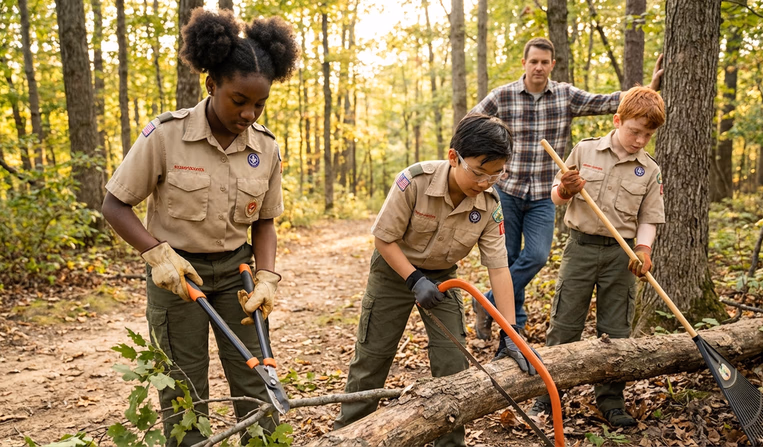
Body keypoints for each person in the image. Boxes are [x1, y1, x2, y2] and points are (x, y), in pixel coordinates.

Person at [101, 9, 299, 445]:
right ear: (211, 86)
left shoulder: (265, 148)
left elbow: (265, 221)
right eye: (238, 100)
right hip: (177, 277)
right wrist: (157, 254)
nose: (249, 113)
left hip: (238, 278)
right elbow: (114, 204)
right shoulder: (165, 136)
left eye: (259, 104)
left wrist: (266, 276)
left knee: (256, 383)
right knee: (183, 393)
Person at [333, 114, 540, 447]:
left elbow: (499, 268)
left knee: (452, 363)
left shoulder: (489, 204)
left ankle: (449, 442)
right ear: (453, 156)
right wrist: (413, 279)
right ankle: (347, 436)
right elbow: (384, 240)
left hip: (443, 278)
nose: (486, 181)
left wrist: (511, 333)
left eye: (496, 173)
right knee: (372, 358)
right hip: (393, 271)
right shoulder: (414, 181)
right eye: (478, 172)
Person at [469, 37, 663, 339]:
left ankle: (487, 302)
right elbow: (472, 121)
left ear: (552, 65)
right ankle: (512, 336)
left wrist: (647, 92)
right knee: (505, 263)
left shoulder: (565, 96)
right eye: (533, 61)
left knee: (535, 256)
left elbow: (610, 103)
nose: (539, 67)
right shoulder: (503, 96)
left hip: (545, 195)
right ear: (524, 63)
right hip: (507, 190)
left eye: (545, 62)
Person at [529, 86, 665, 426]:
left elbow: (649, 217)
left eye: (647, 135)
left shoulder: (649, 170)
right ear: (617, 121)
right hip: (580, 250)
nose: (639, 140)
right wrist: (565, 189)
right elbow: (556, 197)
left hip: (622, 255)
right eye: (635, 131)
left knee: (616, 330)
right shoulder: (586, 150)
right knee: (564, 324)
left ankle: (611, 401)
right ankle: (548, 396)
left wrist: (644, 251)